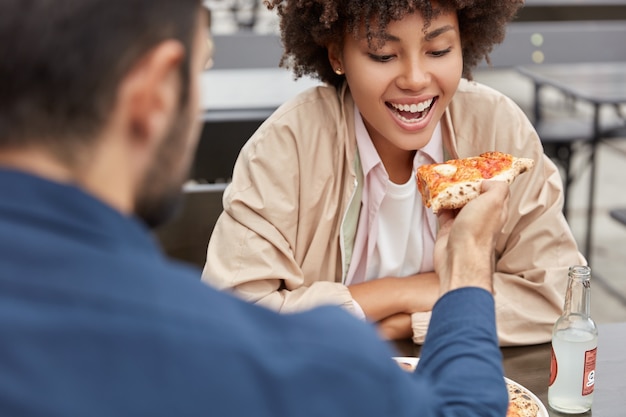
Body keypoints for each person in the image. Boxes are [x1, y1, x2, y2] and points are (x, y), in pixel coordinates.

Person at [0, 0, 511, 416]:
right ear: (153, 96)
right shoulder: (255, 363)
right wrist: (464, 266)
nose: (416, 78)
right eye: (203, 70)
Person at [202, 0, 586, 344]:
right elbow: (230, 318)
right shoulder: (289, 144)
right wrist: (403, 292)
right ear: (337, 54)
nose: (416, 79)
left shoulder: (497, 128)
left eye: (438, 50)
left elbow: (559, 294)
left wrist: (407, 324)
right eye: (383, 55)